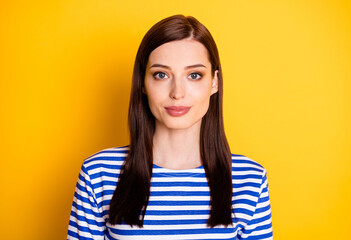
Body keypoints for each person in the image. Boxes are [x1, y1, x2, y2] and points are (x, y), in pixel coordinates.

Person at [67, 14, 273, 240]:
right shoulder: (99, 173)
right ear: (143, 83)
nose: (177, 93)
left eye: (194, 75)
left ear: (214, 82)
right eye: (161, 75)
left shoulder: (250, 179)